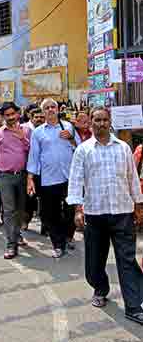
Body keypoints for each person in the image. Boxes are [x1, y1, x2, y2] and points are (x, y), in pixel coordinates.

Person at [68, 106, 143, 325]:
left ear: (110, 122)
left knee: (127, 260)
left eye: (104, 119)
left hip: (122, 213)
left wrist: (138, 206)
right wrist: (78, 209)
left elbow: (131, 178)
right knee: (94, 260)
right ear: (91, 123)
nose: (101, 123)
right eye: (97, 120)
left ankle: (133, 306)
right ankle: (100, 288)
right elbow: (75, 181)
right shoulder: (83, 150)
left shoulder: (123, 148)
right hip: (95, 213)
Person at [27, 98, 76, 258]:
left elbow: (79, 148)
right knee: (51, 213)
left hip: (68, 176)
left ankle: (68, 236)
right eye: (46, 108)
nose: (50, 110)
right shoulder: (38, 132)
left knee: (69, 211)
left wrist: (71, 138)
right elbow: (34, 156)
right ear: (43, 112)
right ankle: (58, 244)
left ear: (58, 109)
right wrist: (30, 178)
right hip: (48, 178)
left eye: (53, 107)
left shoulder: (68, 126)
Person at [0, 102, 31, 259]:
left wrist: (23, 139)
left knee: (21, 209)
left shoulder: (26, 130)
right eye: (7, 115)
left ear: (18, 113)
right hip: (4, 176)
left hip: (22, 175)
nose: (11, 117)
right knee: (8, 210)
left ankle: (17, 233)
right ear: (3, 117)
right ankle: (10, 244)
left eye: (13, 114)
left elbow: (32, 152)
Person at [23, 108, 45, 230]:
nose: (39, 119)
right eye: (36, 117)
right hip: (30, 170)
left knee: (45, 200)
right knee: (29, 198)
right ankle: (26, 221)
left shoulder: (48, 130)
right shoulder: (24, 130)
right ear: (31, 118)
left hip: (46, 171)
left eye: (41, 117)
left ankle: (45, 225)